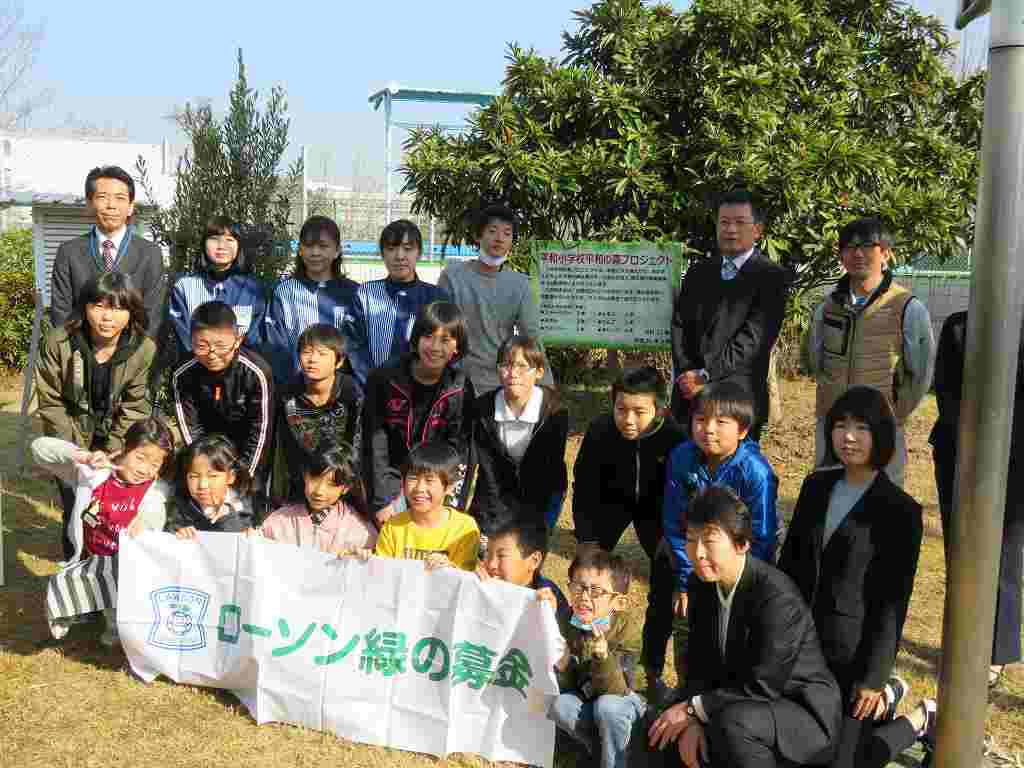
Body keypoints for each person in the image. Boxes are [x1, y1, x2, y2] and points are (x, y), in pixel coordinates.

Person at [778, 386, 923, 768]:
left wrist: (874, 676)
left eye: (861, 427)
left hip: (850, 653)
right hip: (799, 643)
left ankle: (914, 717)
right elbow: (789, 564)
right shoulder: (815, 487)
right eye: (840, 425)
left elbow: (893, 601)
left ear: (881, 435)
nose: (849, 437)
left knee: (847, 761)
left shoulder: (900, 511)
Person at [649, 486, 842, 768]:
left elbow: (764, 683)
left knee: (735, 723)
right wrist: (691, 716)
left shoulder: (777, 596)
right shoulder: (700, 585)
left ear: (741, 543)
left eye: (709, 541)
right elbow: (700, 663)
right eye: (691, 540)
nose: (698, 553)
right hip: (737, 700)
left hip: (800, 712)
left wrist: (695, 709)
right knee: (663, 724)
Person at [572, 365, 686, 705]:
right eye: (621, 409)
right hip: (611, 501)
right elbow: (584, 487)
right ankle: (579, 659)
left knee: (664, 583)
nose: (629, 420)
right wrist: (588, 537)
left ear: (660, 410)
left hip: (657, 509)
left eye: (640, 412)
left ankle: (649, 669)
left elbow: (682, 491)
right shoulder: (599, 430)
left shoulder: (675, 437)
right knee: (586, 578)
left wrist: (671, 536)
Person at [931, 309, 1024, 689]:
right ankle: (963, 639)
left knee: (1006, 555)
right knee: (962, 551)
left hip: (1016, 460)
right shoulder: (958, 326)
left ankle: (996, 653)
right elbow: (946, 392)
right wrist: (976, 445)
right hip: (960, 455)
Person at [806, 216, 934, 486]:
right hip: (834, 422)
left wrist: (894, 415)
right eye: (849, 247)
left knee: (882, 501)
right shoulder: (828, 306)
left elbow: (920, 373)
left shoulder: (907, 307)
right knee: (829, 494)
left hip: (881, 423)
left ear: (885, 253)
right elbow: (815, 361)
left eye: (867, 245)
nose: (857, 253)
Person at [36, 271, 156, 560]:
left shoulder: (143, 348)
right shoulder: (59, 341)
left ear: (131, 312)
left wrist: (112, 452)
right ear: (85, 307)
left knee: (112, 511)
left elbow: (135, 406)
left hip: (116, 442)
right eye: (98, 305)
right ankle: (76, 570)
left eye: (117, 308)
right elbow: (51, 402)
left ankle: (111, 576)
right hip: (71, 439)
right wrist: (78, 453)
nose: (107, 317)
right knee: (74, 509)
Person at [662, 382, 778, 659]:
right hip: (692, 559)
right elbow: (675, 524)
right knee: (687, 625)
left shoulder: (755, 472)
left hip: (739, 567)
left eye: (721, 422)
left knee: (736, 637)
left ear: (743, 430)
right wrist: (685, 580)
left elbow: (761, 537)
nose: (708, 428)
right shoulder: (682, 457)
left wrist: (737, 582)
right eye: (700, 419)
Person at [35, 418, 175, 646]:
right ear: (124, 448)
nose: (144, 469)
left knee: (118, 634)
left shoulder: (157, 491)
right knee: (61, 588)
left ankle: (116, 622)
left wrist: (146, 525)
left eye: (155, 464)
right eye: (140, 457)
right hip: (92, 561)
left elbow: (154, 521)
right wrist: (84, 457)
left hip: (128, 572)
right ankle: (90, 607)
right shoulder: (95, 475)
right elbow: (39, 449)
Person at [670, 188, 789, 441]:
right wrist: (687, 373)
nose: (730, 230)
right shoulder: (698, 272)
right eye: (724, 222)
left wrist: (706, 375)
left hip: (737, 396)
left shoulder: (771, 277)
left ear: (757, 230)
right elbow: (679, 325)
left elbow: (754, 340)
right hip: (689, 394)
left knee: (733, 475)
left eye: (739, 223)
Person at [361, 301, 474, 526]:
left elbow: (460, 452)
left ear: (457, 348)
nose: (435, 347)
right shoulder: (384, 379)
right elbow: (374, 445)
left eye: (445, 340)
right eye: (428, 336)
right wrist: (383, 501)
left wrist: (449, 505)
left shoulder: (460, 387)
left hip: (435, 482)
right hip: (392, 479)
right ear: (416, 338)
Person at [170, 301, 275, 513]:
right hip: (205, 453)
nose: (211, 354)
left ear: (238, 340)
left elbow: (261, 434)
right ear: (190, 340)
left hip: (246, 455)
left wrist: (241, 478)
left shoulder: (256, 372)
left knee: (244, 514)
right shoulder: (182, 373)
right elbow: (191, 429)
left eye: (220, 345)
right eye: (202, 345)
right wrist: (206, 472)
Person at [437, 204, 552, 394]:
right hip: (454, 380)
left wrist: (546, 384)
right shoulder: (452, 276)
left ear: (512, 242)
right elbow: (439, 326)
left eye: (507, 234)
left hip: (500, 381)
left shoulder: (520, 284)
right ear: (478, 236)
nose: (499, 239)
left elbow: (531, 336)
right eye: (492, 231)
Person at [549, 549, 645, 768]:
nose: (584, 597)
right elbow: (574, 685)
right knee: (561, 705)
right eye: (578, 587)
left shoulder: (627, 630)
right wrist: (564, 669)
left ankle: (622, 757)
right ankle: (601, 751)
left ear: (618, 602)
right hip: (590, 698)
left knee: (608, 708)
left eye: (596, 591)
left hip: (626, 702)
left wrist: (603, 658)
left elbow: (621, 689)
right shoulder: (568, 622)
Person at [468, 336, 568, 536]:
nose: (513, 373)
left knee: (528, 552)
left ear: (539, 372)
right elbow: (484, 469)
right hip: (493, 493)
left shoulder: (555, 412)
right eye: (505, 365)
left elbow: (549, 468)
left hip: (543, 493)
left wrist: (535, 524)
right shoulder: (482, 409)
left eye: (522, 366)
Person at [49, 165, 165, 335]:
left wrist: (138, 357)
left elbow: (153, 316)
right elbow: (61, 313)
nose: (111, 205)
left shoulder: (150, 253)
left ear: (131, 206)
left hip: (134, 355)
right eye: (102, 197)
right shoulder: (68, 253)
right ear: (89, 204)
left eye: (120, 198)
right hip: (80, 355)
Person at [346, 219, 449, 391]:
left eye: (408, 249)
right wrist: (373, 383)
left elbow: (447, 345)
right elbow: (353, 345)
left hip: (421, 394)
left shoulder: (436, 297)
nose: (400, 256)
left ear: (419, 253)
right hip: (373, 392)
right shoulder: (365, 293)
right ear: (382, 253)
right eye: (391, 249)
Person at [264, 215, 358, 386]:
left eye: (323, 246)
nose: (315, 252)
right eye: (308, 246)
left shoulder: (354, 293)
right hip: (295, 388)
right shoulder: (284, 291)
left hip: (340, 390)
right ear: (300, 250)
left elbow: (357, 347)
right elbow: (275, 345)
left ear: (337, 250)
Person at [273, 323, 361, 504]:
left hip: (341, 484)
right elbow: (281, 450)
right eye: (307, 352)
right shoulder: (287, 394)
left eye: (322, 354)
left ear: (339, 360)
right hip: (300, 485)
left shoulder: (351, 394)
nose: (313, 359)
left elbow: (357, 446)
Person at [168, 216, 267, 364]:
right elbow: (183, 337)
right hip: (195, 371)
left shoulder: (252, 289)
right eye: (214, 239)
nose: (221, 246)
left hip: (239, 374)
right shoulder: (184, 287)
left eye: (230, 240)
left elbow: (254, 339)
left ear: (239, 246)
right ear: (203, 244)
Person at [371, 441, 480, 571]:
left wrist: (450, 568)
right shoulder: (392, 527)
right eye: (413, 478)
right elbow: (381, 573)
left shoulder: (464, 529)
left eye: (429, 480)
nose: (419, 488)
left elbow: (466, 581)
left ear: (450, 487)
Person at [254, 443, 377, 554]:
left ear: (346, 487)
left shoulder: (362, 532)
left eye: (332, 484)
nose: (319, 491)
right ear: (305, 475)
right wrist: (249, 540)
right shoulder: (279, 521)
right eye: (315, 478)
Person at [475, 516, 571, 626]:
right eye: (488, 553)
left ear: (534, 561)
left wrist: (551, 620)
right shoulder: (478, 584)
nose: (491, 564)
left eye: (501, 555)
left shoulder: (549, 600)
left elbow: (571, 639)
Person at [166, 434, 255, 537]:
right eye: (194, 476)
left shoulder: (242, 509)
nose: (202, 485)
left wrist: (228, 516)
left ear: (231, 477)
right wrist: (178, 533)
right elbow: (169, 536)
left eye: (212, 476)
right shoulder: (180, 506)